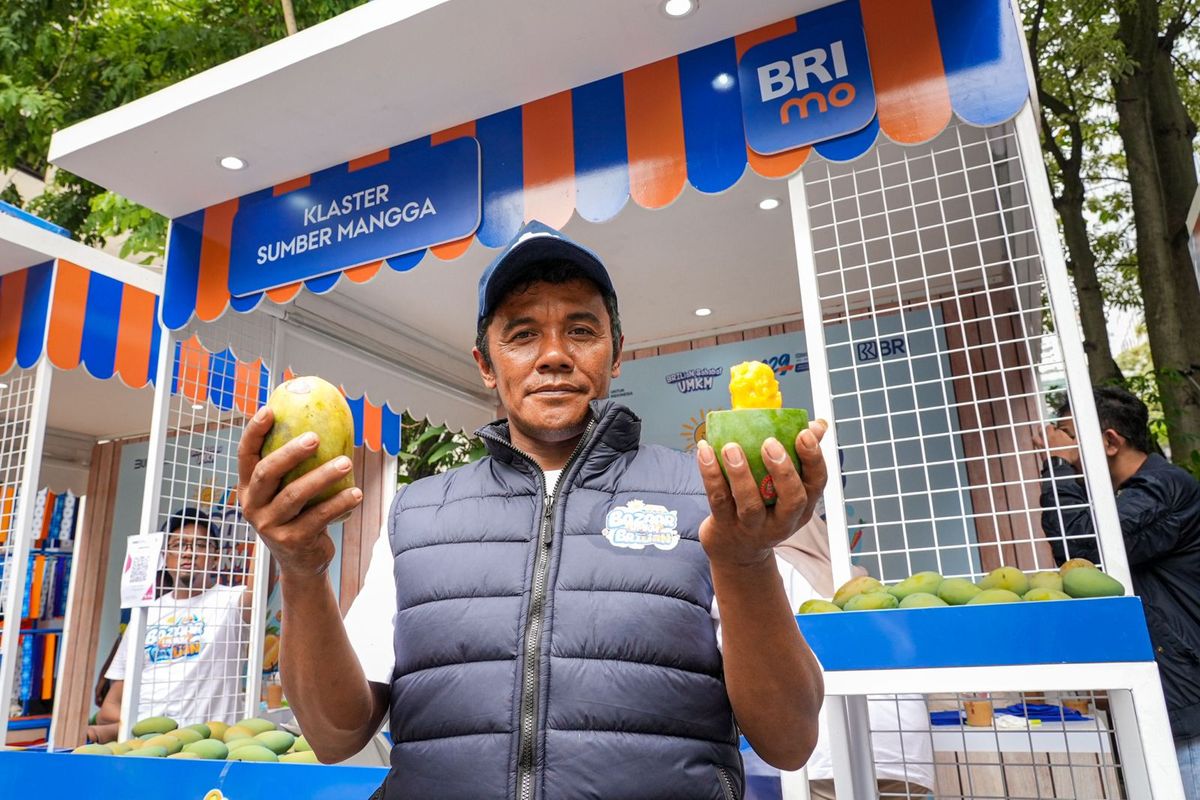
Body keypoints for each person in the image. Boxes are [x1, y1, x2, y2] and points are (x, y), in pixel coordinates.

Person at [237, 220, 829, 798]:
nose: (553, 355)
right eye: (522, 335)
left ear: (616, 354)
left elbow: (789, 739)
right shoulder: (418, 515)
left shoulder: (709, 502)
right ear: (486, 364)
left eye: (580, 330)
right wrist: (303, 570)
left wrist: (746, 561)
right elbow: (335, 734)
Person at [1036, 385, 1200, 797]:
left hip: (1189, 704)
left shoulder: (1164, 487)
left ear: (1110, 441)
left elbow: (1082, 552)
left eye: (1071, 436)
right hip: (1166, 699)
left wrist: (1057, 466)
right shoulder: (1131, 496)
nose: (1064, 447)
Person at [87, 508, 253, 741]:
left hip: (207, 747)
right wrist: (150, 728)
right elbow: (109, 708)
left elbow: (264, 582)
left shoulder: (232, 601)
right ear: (164, 556)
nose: (188, 553)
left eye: (200, 545)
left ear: (215, 558)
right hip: (147, 748)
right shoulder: (145, 614)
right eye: (178, 545)